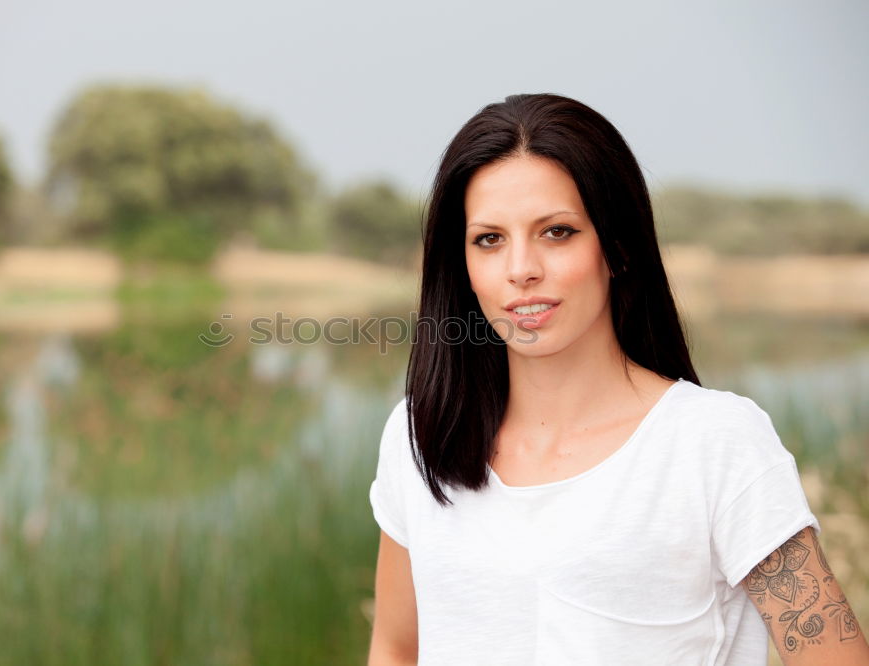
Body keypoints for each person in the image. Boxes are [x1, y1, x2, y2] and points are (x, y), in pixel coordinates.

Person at [366, 93, 869, 666]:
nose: (521, 269)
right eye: (489, 239)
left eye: (556, 232)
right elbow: (396, 648)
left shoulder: (716, 443)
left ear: (619, 246)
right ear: (463, 268)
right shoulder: (419, 435)